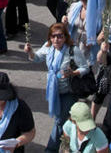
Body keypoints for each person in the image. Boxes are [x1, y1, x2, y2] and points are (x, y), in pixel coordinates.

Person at [24, 22, 89, 151]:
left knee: (59, 121)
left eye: (60, 36)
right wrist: (30, 51)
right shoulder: (48, 47)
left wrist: (74, 73)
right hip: (54, 91)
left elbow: (85, 68)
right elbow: (36, 58)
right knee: (63, 120)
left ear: (65, 37)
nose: (56, 39)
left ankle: (51, 149)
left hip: (68, 91)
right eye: (53, 36)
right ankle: (71, 142)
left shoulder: (72, 50)